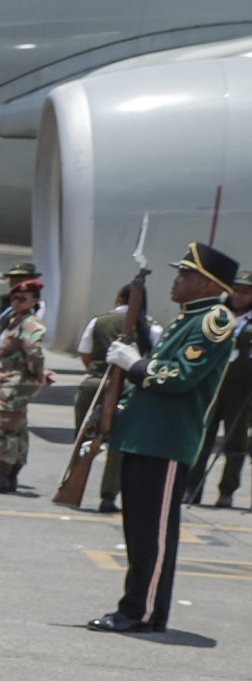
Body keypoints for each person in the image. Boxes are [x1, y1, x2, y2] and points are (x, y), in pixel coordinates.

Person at [89, 242, 241, 634]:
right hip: (145, 436)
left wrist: (133, 363)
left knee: (153, 534)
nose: (178, 280)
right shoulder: (189, 317)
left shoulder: (214, 319)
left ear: (209, 284)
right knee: (139, 530)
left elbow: (176, 377)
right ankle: (139, 607)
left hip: (166, 440)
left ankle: (141, 611)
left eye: (186, 275)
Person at [72, 285, 158, 513]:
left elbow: (86, 353)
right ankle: (109, 495)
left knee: (83, 437)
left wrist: (98, 372)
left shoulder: (99, 321)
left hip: (95, 383)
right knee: (119, 444)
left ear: (119, 297)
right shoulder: (152, 327)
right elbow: (152, 361)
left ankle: (71, 483)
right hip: (129, 389)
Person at [0, 278, 50, 493]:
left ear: (34, 300)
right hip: (8, 381)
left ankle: (1, 476)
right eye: (14, 298)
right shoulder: (14, 322)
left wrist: (35, 376)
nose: (16, 302)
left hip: (14, 384)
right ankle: (7, 475)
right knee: (16, 429)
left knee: (5, 430)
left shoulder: (29, 324)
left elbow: (34, 351)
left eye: (23, 299)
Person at [185, 269, 252, 507]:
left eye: (245, 292)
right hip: (213, 388)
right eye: (236, 290)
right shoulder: (219, 316)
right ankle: (192, 487)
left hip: (242, 391)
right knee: (202, 440)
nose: (238, 296)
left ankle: (227, 490)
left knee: (236, 442)